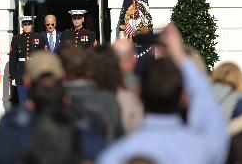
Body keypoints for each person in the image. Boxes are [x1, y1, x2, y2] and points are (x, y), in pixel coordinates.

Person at [96, 24, 229, 164]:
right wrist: (180, 56)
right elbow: (207, 106)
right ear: (183, 97)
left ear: (139, 94)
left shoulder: (114, 156)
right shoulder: (203, 148)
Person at [9, 16, 46, 104]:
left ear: (32, 25)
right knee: (23, 101)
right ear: (22, 26)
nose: (26, 27)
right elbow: (13, 58)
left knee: (36, 102)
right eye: (24, 25)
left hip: (35, 73)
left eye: (29, 24)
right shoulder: (16, 39)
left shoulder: (39, 37)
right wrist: (12, 75)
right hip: (21, 74)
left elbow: (42, 57)